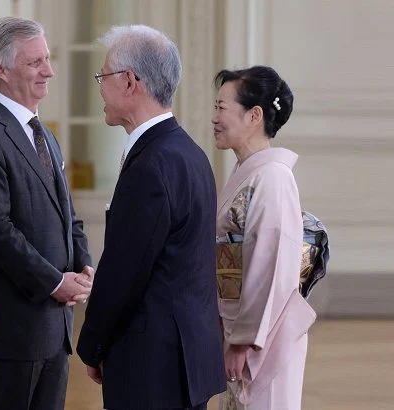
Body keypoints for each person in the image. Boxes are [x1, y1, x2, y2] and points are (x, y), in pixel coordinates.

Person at [76, 25, 226, 410]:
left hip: (153, 363)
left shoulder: (151, 164)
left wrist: (92, 345)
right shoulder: (189, 152)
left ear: (129, 82)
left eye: (103, 76)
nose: (99, 88)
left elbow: (126, 270)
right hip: (184, 357)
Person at [0, 17, 93, 410]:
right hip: (11, 333)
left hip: (55, 329)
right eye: (35, 62)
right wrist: (53, 282)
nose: (49, 70)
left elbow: (69, 216)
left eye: (47, 59)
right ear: (1, 69)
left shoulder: (43, 134)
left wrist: (84, 268)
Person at [211, 66, 317, 409]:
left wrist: (243, 342)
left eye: (222, 108)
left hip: (262, 338)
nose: (214, 117)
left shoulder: (272, 178)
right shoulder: (250, 173)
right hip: (242, 325)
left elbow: (268, 266)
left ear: (254, 115)